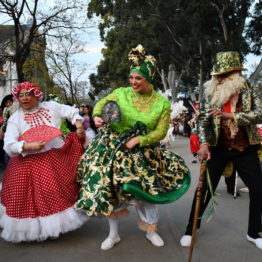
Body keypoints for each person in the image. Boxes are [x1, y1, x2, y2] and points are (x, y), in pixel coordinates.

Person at [76, 45, 190, 250]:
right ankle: (113, 235)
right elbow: (101, 104)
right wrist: (97, 116)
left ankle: (151, 230)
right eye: (131, 78)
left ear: (149, 79)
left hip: (143, 150)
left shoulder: (161, 104)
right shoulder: (121, 93)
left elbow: (161, 132)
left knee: (148, 192)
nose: (133, 82)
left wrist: (139, 140)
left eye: (138, 78)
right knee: (109, 189)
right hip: (113, 147)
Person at [180, 51, 262, 249]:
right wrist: (204, 143)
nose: (219, 79)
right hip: (218, 148)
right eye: (218, 75)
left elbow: (258, 114)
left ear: (235, 74)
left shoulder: (251, 89)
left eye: (224, 75)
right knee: (205, 190)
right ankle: (191, 228)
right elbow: (203, 121)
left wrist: (230, 116)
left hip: (246, 148)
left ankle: (253, 232)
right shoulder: (211, 93)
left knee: (259, 190)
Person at [0, 82, 88, 243]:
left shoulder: (51, 106)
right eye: (21, 95)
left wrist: (79, 127)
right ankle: (33, 231)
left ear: (36, 95)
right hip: (24, 162)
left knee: (53, 192)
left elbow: (72, 112)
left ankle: (52, 228)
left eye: (28, 94)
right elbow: (8, 145)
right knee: (24, 199)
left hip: (52, 158)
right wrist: (27, 145)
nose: (25, 98)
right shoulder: (15, 118)